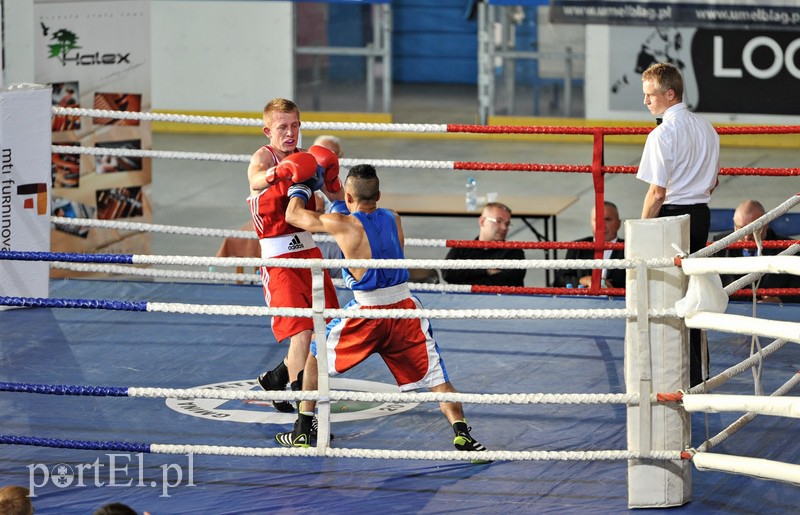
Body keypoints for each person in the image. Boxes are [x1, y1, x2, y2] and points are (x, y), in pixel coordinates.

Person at [274, 164, 487, 457]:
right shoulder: (393, 217)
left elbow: (293, 215)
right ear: (379, 194)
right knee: (438, 379)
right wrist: (330, 185)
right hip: (405, 309)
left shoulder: (342, 223)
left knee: (314, 357)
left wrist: (304, 184)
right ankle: (462, 432)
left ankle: (301, 430)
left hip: (367, 312)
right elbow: (353, 208)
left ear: (349, 196)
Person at [248, 98, 344, 413]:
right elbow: (255, 180)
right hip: (279, 259)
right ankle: (305, 415)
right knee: (301, 331)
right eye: (282, 127)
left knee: (323, 327)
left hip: (309, 252)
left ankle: (277, 380)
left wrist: (331, 178)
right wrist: (281, 172)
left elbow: (336, 197)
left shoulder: (307, 158)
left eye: (294, 126)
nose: (289, 133)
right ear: (267, 131)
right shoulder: (263, 157)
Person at [636, 62, 720, 387]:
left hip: (671, 218)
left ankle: (674, 377)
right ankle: (700, 375)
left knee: (669, 298)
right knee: (694, 294)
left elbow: (656, 193)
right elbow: (712, 183)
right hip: (701, 214)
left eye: (650, 95)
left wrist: (641, 231)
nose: (646, 102)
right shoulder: (707, 129)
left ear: (669, 94)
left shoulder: (662, 134)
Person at [714, 200, 800, 304]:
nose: (747, 237)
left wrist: (780, 300)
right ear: (734, 225)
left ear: (766, 225)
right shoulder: (718, 246)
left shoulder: (790, 248)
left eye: (754, 230)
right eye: (741, 229)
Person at [441, 202, 526, 287]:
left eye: (507, 224)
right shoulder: (461, 247)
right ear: (482, 221)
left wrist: (467, 275)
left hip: (500, 300)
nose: (504, 228)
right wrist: (486, 270)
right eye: (498, 221)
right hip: (464, 299)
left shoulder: (514, 251)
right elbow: (447, 273)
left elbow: (506, 282)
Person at [553, 201, 625, 290]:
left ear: (619, 224)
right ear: (591, 223)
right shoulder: (577, 247)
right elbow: (559, 280)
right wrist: (584, 280)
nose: (601, 225)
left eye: (607, 220)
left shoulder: (629, 249)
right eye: (597, 220)